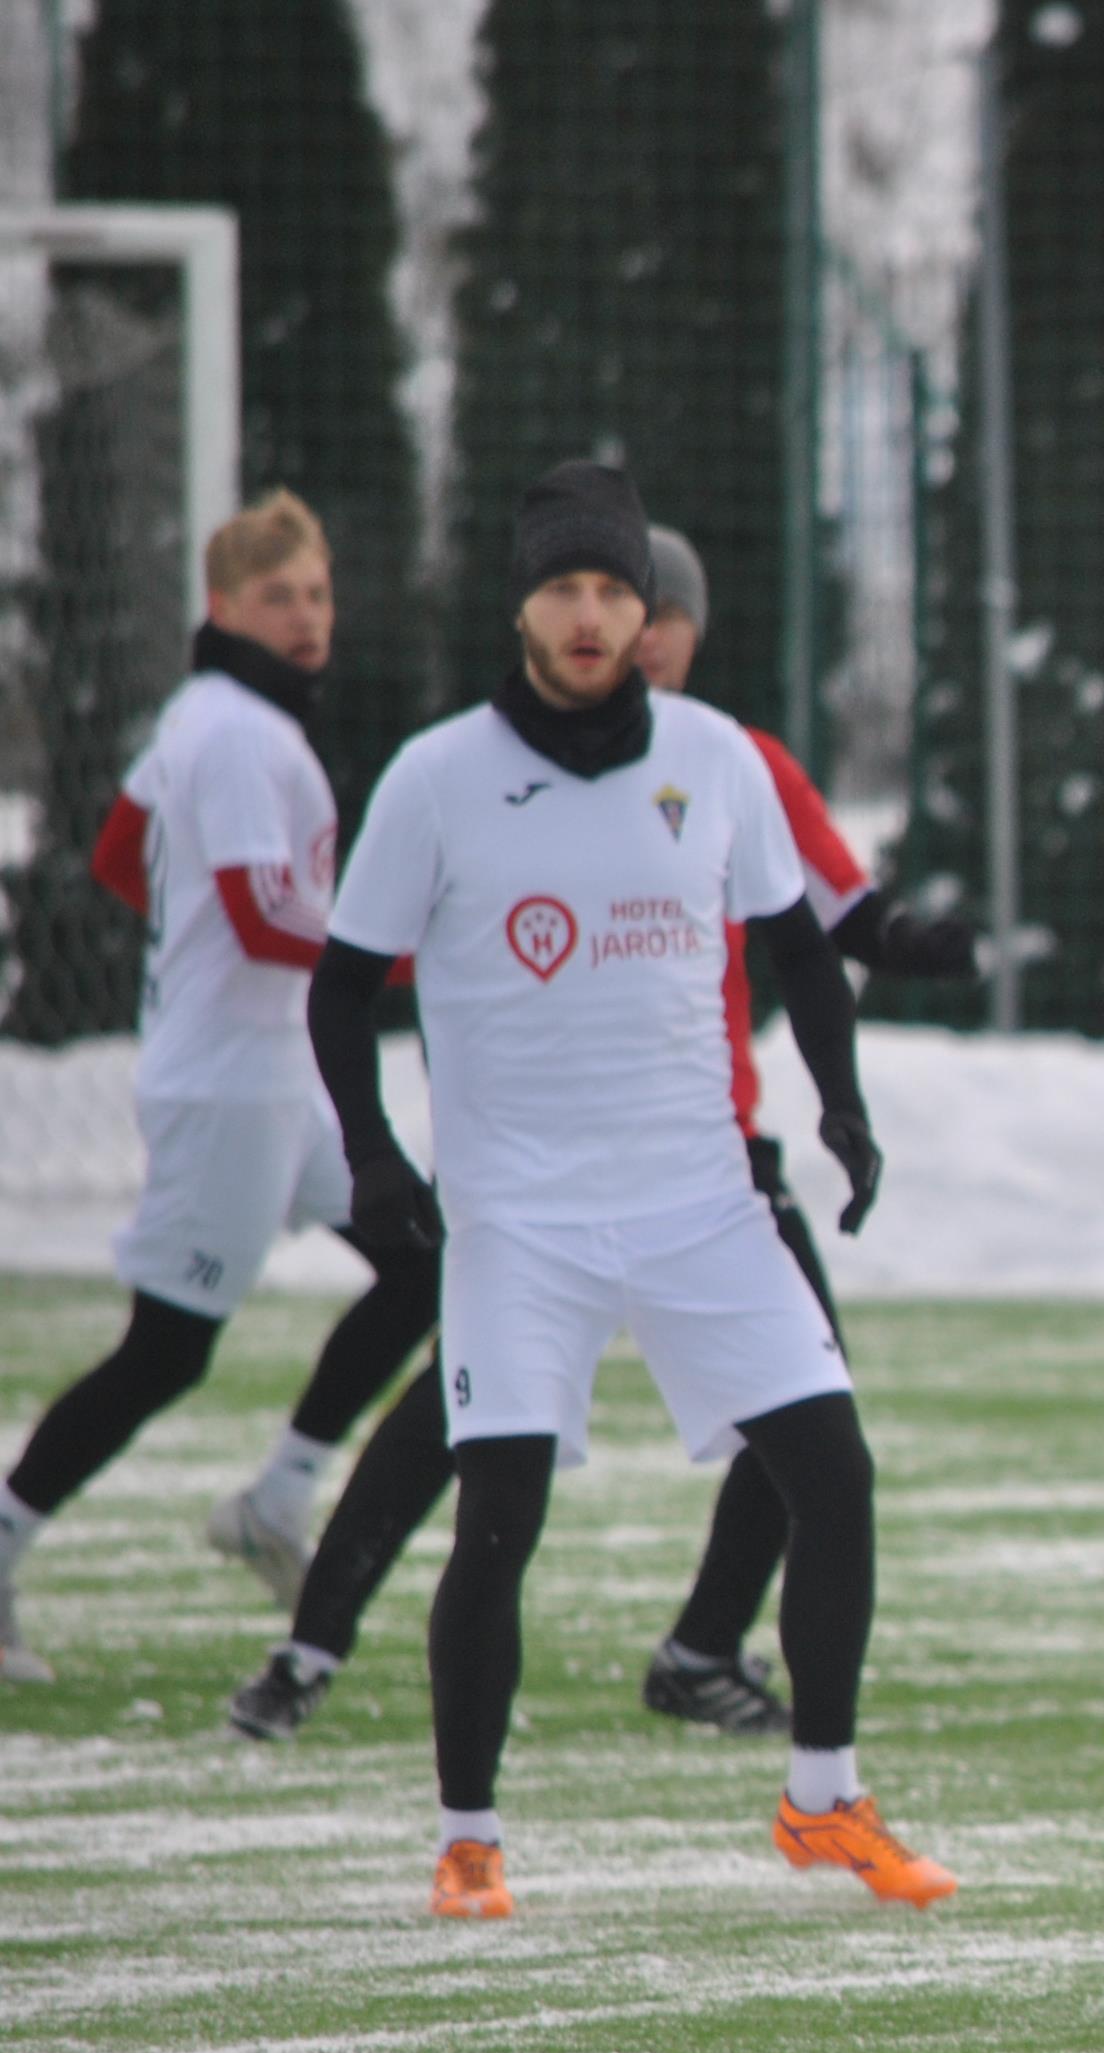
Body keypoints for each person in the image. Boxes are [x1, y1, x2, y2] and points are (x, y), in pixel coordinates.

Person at [307, 461, 952, 1919]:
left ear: (644, 610)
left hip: (699, 1202)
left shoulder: (716, 759)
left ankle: (824, 1799)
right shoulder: (438, 777)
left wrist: (839, 1107)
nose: (593, 616)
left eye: (615, 591)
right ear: (523, 606)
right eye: (565, 588)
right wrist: (373, 1153)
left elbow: (797, 947)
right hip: (518, 1222)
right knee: (500, 1518)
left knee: (832, 1472)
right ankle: (469, 1838)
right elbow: (343, 992)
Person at [0, 491, 439, 1684]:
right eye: (278, 599)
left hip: (277, 1075)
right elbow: (256, 911)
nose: (306, 619)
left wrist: (196, 939)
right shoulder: (240, 731)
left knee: (429, 1259)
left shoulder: (207, 712)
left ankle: (277, 1498)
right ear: (225, 607)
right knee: (168, 1354)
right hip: (226, 1090)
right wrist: (401, 951)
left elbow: (115, 854)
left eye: (317, 595)